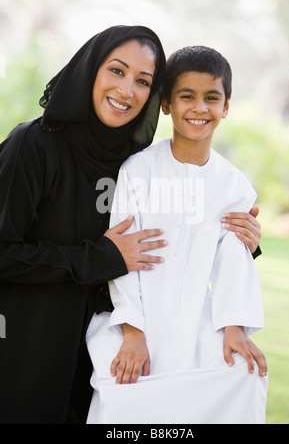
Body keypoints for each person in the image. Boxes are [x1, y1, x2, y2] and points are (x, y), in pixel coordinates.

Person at [86, 45, 268, 424]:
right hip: (137, 316)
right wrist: (133, 333)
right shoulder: (139, 170)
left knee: (244, 376)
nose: (199, 108)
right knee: (124, 399)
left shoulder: (233, 185)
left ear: (227, 106)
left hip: (197, 319)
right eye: (187, 96)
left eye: (211, 98)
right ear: (166, 104)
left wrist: (234, 327)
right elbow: (123, 256)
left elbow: (233, 262)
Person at [0, 25, 168, 424]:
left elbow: (163, 244)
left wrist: (237, 238)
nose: (127, 90)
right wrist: (98, 258)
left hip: (98, 365)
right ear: (89, 70)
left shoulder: (138, 168)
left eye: (143, 81)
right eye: (116, 70)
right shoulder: (34, 146)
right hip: (25, 356)